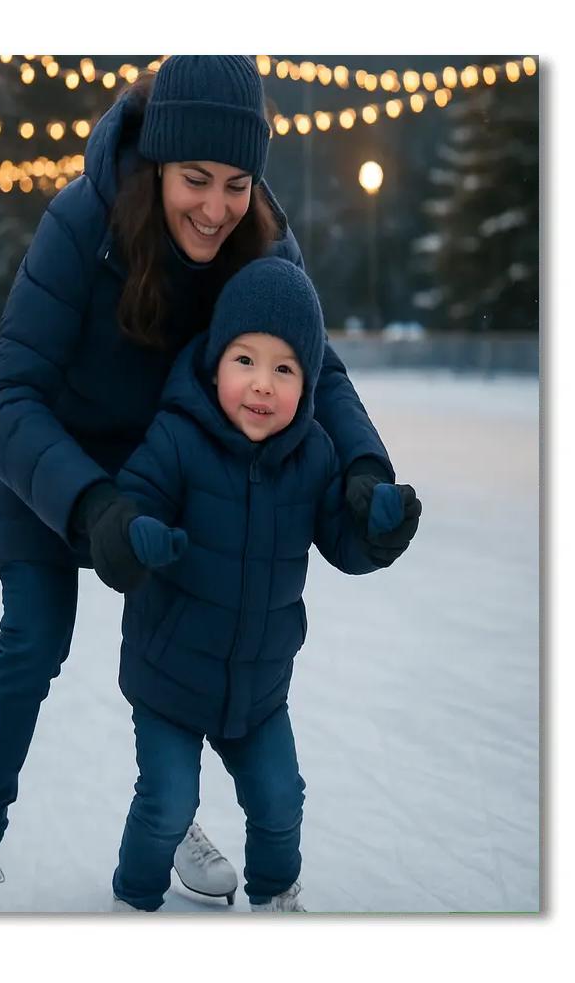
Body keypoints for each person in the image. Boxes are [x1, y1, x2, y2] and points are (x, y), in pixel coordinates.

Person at [0, 56, 419, 913]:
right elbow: (7, 394)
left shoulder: (258, 232)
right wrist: (90, 504)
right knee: (35, 638)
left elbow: (321, 369)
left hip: (164, 455)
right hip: (45, 456)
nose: (215, 207)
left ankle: (172, 810)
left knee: (187, 632)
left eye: (237, 183)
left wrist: (364, 469)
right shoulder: (82, 221)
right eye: (195, 180)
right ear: (157, 163)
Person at [104, 257, 420, 913]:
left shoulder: (313, 456)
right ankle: (134, 900)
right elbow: (134, 498)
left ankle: (277, 900)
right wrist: (138, 532)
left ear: (306, 385)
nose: (261, 385)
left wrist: (376, 532)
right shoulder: (178, 437)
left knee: (280, 798)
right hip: (169, 676)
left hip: (258, 687)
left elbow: (342, 539)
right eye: (245, 360)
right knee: (168, 802)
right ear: (216, 360)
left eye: (284, 369)